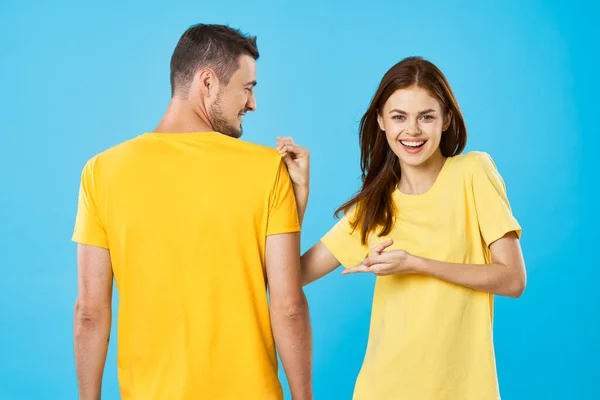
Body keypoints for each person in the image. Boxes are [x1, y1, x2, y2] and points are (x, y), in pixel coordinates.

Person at [72, 24, 312, 400]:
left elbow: (90, 312)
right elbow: (288, 305)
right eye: (247, 88)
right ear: (208, 82)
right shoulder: (266, 168)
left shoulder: (101, 171)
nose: (252, 104)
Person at [277, 56, 526, 400]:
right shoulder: (373, 207)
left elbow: (513, 280)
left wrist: (415, 264)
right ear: (380, 121)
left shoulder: (473, 173)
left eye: (426, 117)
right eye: (399, 117)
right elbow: (288, 276)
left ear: (446, 120)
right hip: (382, 388)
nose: (412, 130)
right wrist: (298, 197)